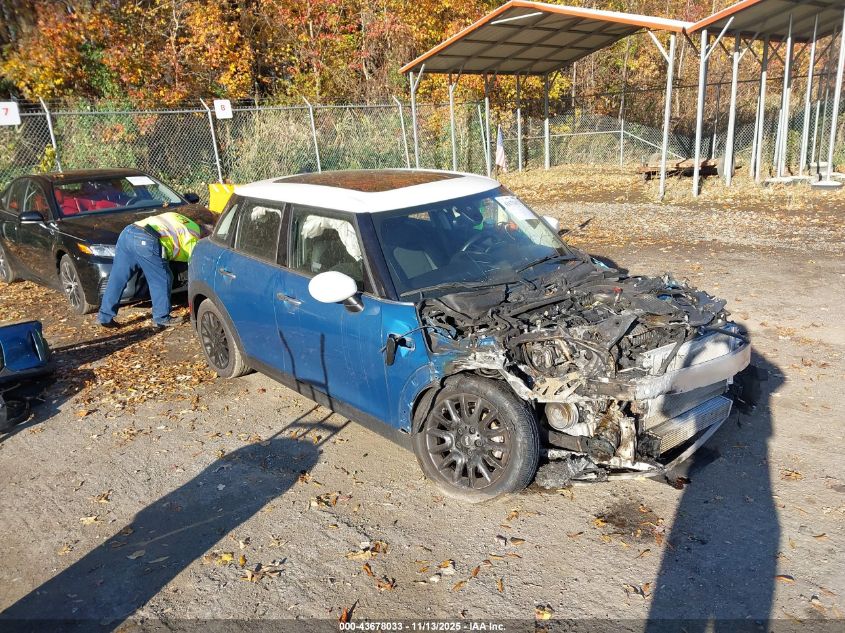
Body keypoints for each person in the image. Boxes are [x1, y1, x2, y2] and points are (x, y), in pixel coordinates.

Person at [97, 212, 202, 330]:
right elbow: (193, 258)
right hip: (145, 239)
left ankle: (104, 316)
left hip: (127, 233)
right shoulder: (195, 234)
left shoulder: (181, 218)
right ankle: (161, 317)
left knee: (117, 278)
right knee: (162, 278)